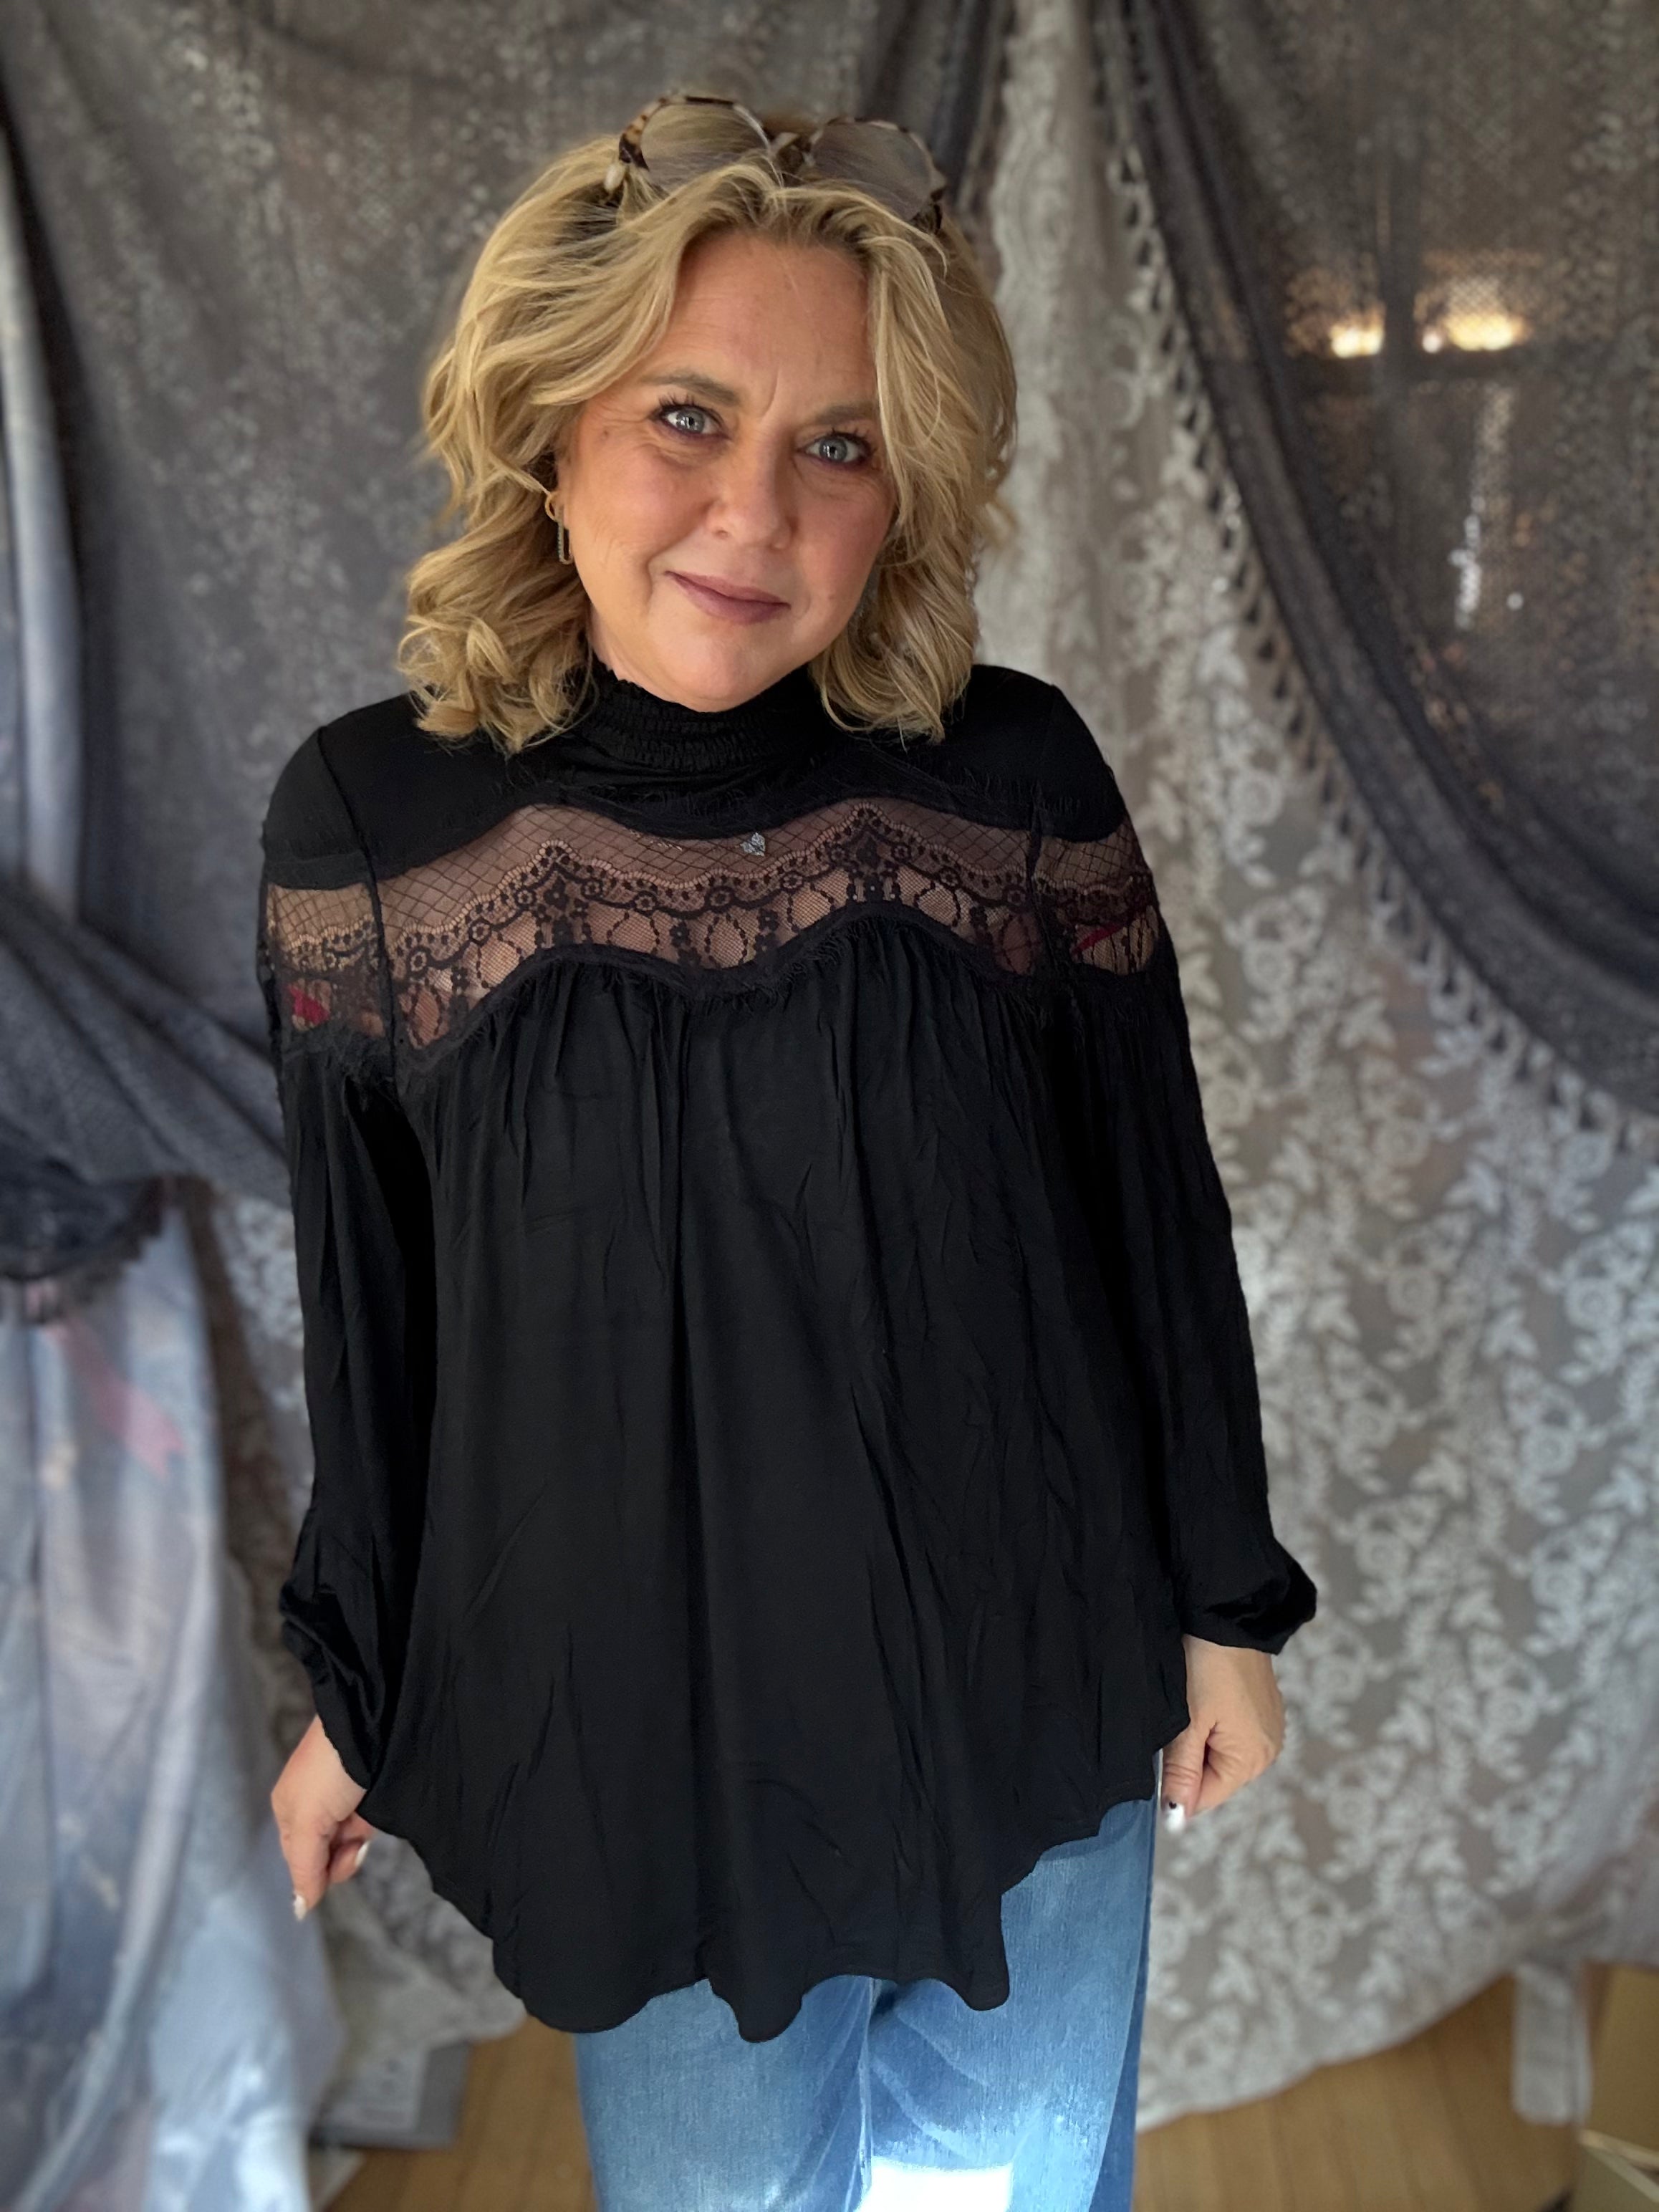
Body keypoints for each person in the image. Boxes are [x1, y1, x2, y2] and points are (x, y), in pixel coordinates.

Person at [260, 90, 1317, 2212]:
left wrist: (1224, 1604)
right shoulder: (373, 824)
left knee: (1018, 2188)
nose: (753, 511)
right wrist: (355, 1691)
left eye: (838, 444)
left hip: (1028, 1671)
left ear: (900, 493)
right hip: (653, 1740)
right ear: (550, 424)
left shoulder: (1014, 776)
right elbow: (380, 1319)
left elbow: (1152, 1216)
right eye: (687, 415)